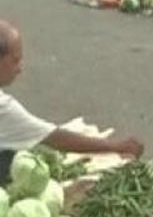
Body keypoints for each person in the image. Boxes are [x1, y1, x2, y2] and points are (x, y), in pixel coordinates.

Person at [0, 19, 143, 186]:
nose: (19, 69)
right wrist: (117, 146)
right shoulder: (4, 109)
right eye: (15, 60)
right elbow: (56, 138)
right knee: (11, 160)